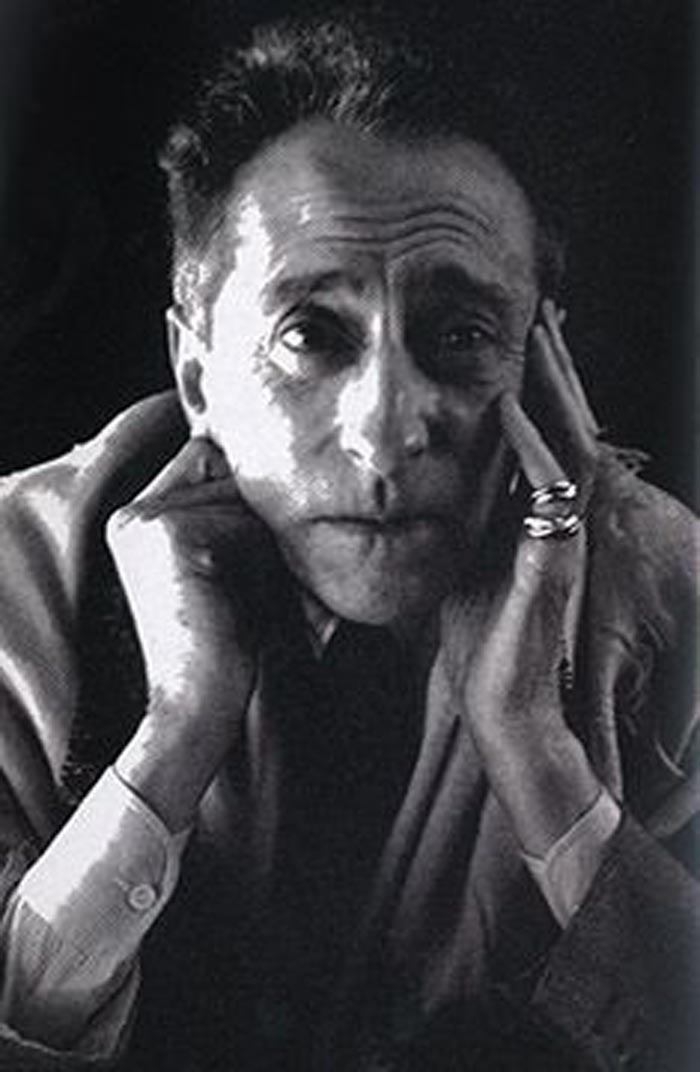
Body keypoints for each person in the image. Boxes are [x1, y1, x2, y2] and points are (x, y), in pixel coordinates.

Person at [0, 11, 697, 1071]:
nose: (386, 426)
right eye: (310, 334)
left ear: (542, 363)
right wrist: (173, 733)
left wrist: (539, 752)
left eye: (461, 333)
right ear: (196, 376)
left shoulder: (671, 600)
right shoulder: (18, 586)